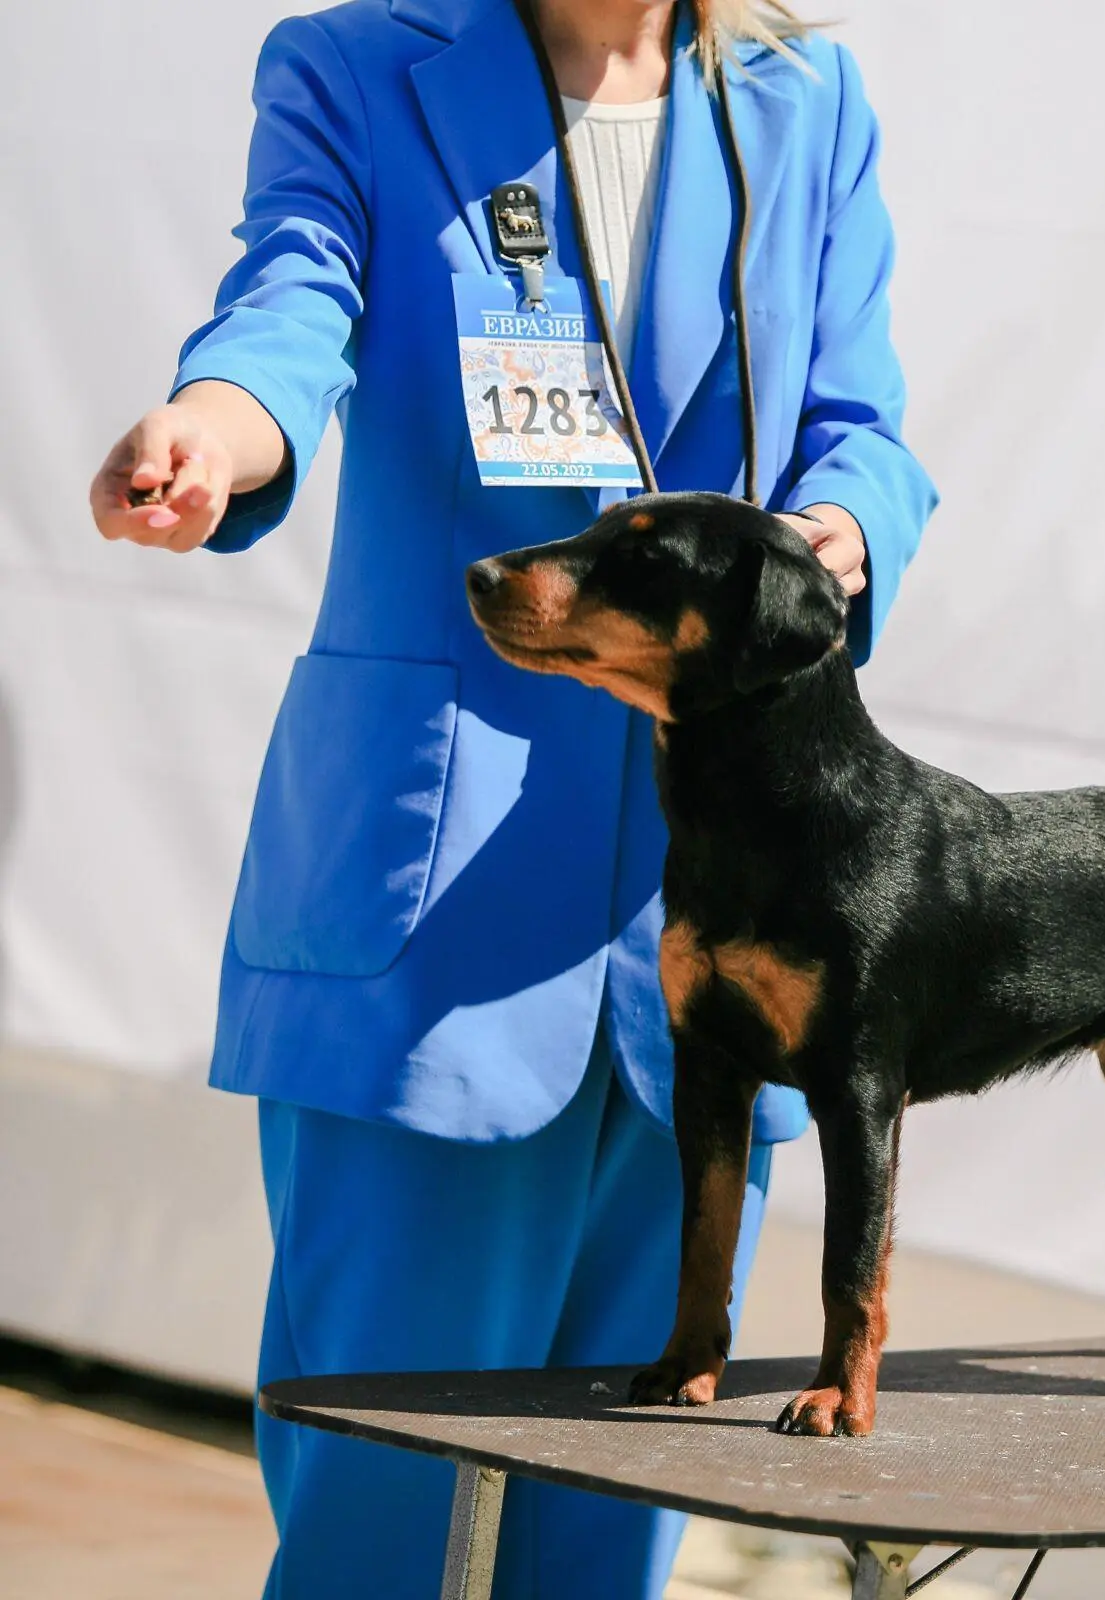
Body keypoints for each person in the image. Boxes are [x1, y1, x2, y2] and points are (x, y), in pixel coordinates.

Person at [89, 0, 935, 1594]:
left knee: (612, 1544)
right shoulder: (351, 66)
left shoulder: (806, 99)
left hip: (721, 928)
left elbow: (862, 423)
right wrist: (214, 431)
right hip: (429, 931)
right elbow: (293, 303)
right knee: (378, 1538)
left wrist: (841, 529)